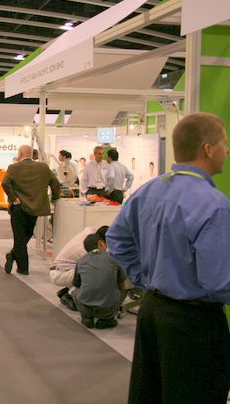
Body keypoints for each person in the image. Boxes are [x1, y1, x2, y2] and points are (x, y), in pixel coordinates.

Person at [107, 112, 230, 403]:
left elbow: (117, 239)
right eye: (224, 143)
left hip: (152, 311)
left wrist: (144, 277)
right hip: (194, 324)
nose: (227, 150)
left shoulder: (148, 191)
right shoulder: (214, 205)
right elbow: (218, 282)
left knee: (150, 393)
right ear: (208, 149)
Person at [2, 145, 60, 275]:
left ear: (20, 153)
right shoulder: (43, 167)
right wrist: (55, 198)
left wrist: (13, 198)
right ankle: (13, 257)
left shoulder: (13, 167)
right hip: (35, 208)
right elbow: (54, 182)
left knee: (19, 238)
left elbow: (5, 183)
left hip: (19, 207)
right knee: (27, 235)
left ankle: (21, 266)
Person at [71, 233, 126, 329]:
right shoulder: (114, 259)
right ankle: (107, 320)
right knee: (124, 290)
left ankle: (86, 317)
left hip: (85, 307)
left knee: (74, 292)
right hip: (108, 309)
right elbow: (121, 283)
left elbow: (76, 284)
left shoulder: (80, 261)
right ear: (100, 243)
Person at [51, 225, 109, 311]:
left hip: (61, 269)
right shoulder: (88, 249)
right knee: (93, 272)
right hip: (59, 274)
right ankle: (70, 294)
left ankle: (68, 289)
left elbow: (90, 227)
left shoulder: (90, 233)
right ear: (101, 242)